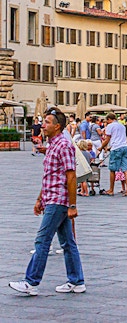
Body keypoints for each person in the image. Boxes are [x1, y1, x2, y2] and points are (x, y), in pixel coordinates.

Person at [9, 109, 85, 295]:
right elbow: (50, 176)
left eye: (47, 122)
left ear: (57, 126)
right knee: (68, 242)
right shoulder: (53, 145)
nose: (43, 125)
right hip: (52, 198)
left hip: (58, 200)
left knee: (42, 240)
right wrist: (39, 199)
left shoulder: (64, 146)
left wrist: (73, 205)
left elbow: (71, 175)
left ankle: (31, 282)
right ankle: (76, 281)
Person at [98, 112, 127, 196]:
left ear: (109, 119)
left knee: (112, 169)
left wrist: (101, 147)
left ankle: (111, 190)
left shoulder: (110, 126)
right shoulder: (122, 126)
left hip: (116, 148)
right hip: (125, 147)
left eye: (107, 120)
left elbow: (107, 139)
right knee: (126, 169)